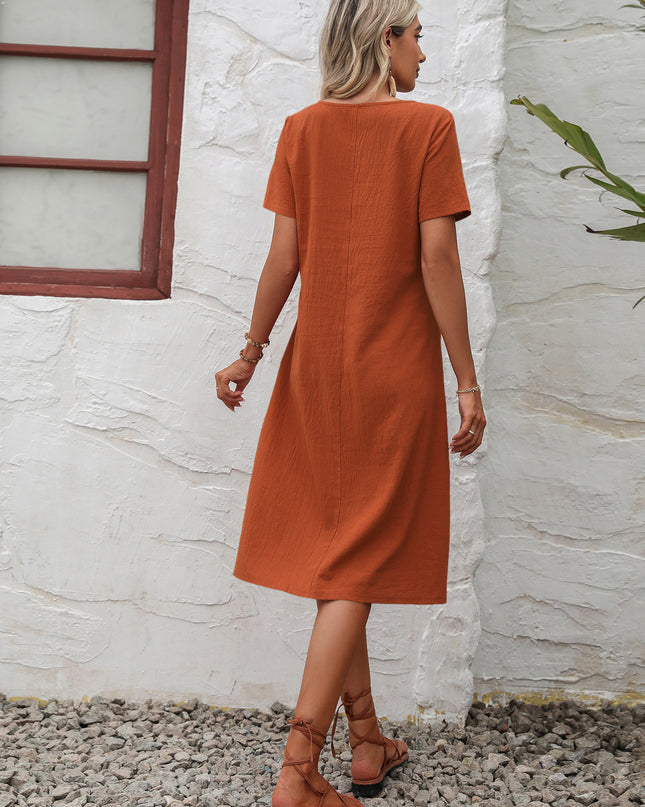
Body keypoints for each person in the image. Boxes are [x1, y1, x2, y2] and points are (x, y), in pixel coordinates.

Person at [214, 0, 486, 804]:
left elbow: (283, 258)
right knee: (356, 560)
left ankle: (366, 739)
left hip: (313, 373)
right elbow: (436, 257)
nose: (424, 57)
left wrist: (250, 353)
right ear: (384, 41)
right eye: (417, 38)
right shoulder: (426, 128)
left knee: (342, 556)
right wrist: (465, 378)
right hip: (391, 376)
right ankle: (298, 769)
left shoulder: (301, 128)